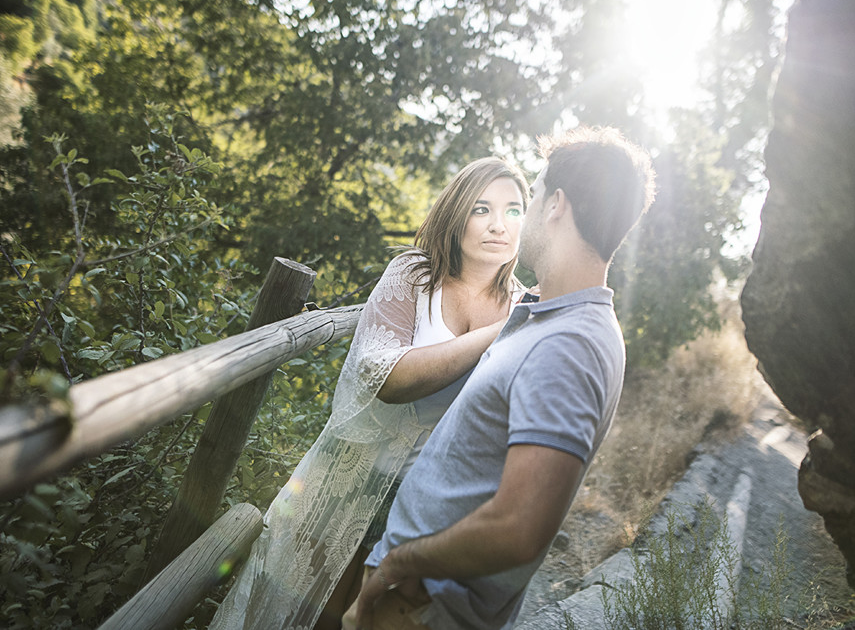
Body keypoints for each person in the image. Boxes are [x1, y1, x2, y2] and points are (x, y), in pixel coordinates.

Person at [344, 125, 655, 630]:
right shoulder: (547, 318)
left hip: (425, 605)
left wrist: (400, 563)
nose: (516, 219)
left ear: (555, 205)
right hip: (412, 594)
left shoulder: (571, 344)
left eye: (526, 202)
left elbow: (520, 527)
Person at [209, 157, 530, 630]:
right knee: (304, 612)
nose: (499, 225)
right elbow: (387, 377)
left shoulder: (525, 306)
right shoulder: (415, 276)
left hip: (431, 511)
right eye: (482, 209)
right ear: (456, 213)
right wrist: (497, 332)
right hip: (352, 483)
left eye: (514, 210)